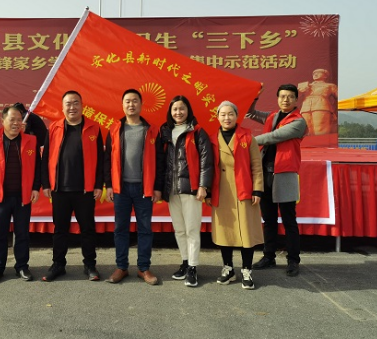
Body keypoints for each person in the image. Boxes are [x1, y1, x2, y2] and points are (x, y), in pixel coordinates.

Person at [41, 91, 104, 282]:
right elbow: (45, 157)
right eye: (68, 104)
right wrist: (46, 183)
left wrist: (98, 184)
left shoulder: (93, 128)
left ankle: (90, 265)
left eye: (76, 103)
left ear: (82, 105)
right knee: (60, 229)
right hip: (59, 189)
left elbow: (101, 159)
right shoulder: (54, 128)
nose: (72, 107)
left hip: (85, 189)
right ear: (62, 107)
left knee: (87, 229)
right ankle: (58, 265)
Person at [104, 89, 165, 286]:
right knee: (120, 228)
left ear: (141, 104)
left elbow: (160, 160)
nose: (131, 105)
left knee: (145, 229)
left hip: (144, 189)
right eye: (128, 101)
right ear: (122, 105)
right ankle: (121, 267)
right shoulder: (114, 129)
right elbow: (107, 159)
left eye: (135, 101)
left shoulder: (152, 130)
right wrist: (109, 185)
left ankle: (143, 268)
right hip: (121, 188)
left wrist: (157, 187)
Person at [246, 84, 307, 277]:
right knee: (269, 219)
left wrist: (249, 141)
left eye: (290, 97)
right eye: (282, 96)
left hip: (285, 173)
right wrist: (254, 96)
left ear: (296, 100)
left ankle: (293, 260)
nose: (285, 100)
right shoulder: (272, 116)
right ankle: (269, 256)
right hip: (265, 173)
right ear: (278, 98)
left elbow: (274, 136)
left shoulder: (299, 122)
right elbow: (250, 113)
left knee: (289, 220)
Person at [0, 106, 41, 285]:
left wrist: (35, 188)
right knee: (0, 234)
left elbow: (38, 167)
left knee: (22, 233)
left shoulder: (31, 141)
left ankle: (22, 266)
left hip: (23, 196)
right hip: (0, 197)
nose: (16, 123)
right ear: (2, 121)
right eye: (12, 119)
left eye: (19, 120)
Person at [209, 101, 264, 290]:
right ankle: (228, 268)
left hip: (244, 190)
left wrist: (257, 189)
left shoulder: (248, 137)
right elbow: (208, 168)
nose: (227, 118)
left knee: (246, 232)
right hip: (221, 191)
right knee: (225, 232)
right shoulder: (212, 139)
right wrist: (207, 191)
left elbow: (256, 166)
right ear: (217, 117)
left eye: (230, 114)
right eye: (223, 114)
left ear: (237, 116)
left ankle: (247, 270)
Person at [160, 96, 213, 288]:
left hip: (191, 189)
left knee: (192, 230)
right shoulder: (165, 132)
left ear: (188, 110)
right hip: (172, 190)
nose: (178, 113)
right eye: (175, 109)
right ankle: (184, 261)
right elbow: (160, 161)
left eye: (182, 109)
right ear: (170, 112)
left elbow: (206, 161)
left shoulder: (197, 132)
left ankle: (193, 267)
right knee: (180, 229)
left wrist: (203, 186)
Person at [297, 69, 338, 135]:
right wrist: (299, 91)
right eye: (314, 73)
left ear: (325, 76)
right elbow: (294, 97)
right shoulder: (306, 85)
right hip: (305, 108)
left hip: (321, 106)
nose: (315, 74)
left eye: (319, 73)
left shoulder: (330, 86)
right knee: (306, 129)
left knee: (320, 128)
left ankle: (321, 141)